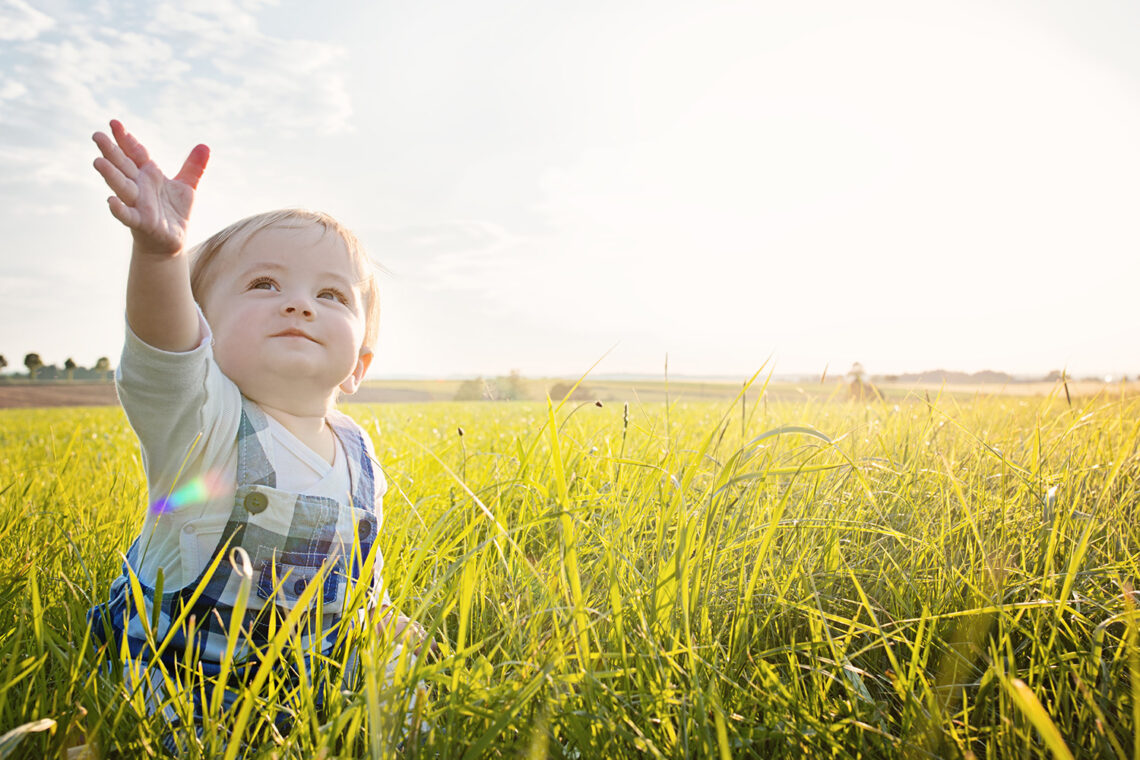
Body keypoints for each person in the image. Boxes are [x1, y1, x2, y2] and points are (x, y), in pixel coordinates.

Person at [87, 119, 425, 745]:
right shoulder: (205, 423)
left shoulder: (357, 451)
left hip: (303, 673)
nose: (299, 304)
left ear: (360, 366)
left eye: (331, 294)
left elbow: (351, 569)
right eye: (264, 285)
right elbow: (164, 353)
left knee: (410, 691)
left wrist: (376, 617)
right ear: (203, 331)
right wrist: (160, 256)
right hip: (190, 686)